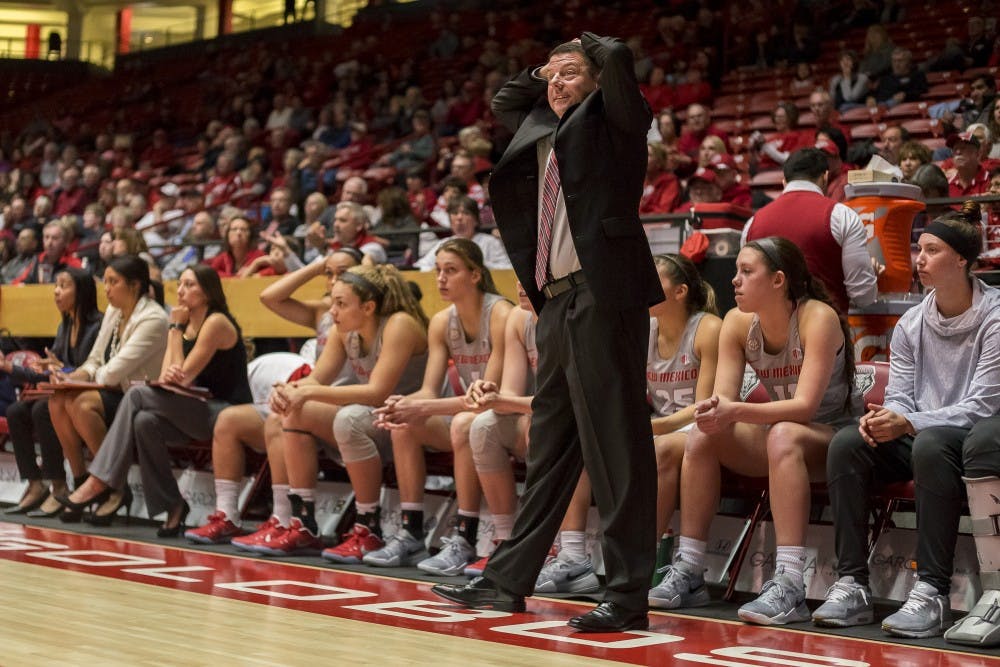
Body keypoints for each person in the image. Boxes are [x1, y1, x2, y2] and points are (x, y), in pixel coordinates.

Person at [432, 33, 664, 634]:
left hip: (603, 293)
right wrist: (555, 67)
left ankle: (627, 594)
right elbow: (507, 99)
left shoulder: (616, 119)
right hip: (557, 302)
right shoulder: (540, 125)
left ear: (596, 79)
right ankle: (508, 579)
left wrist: (591, 51)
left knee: (617, 448)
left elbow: (617, 65)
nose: (555, 83)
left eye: (569, 74)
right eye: (551, 75)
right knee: (551, 450)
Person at [649, 237, 856, 626]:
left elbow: (804, 408)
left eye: (747, 272)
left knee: (783, 432)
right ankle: (690, 572)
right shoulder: (737, 323)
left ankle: (791, 583)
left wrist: (733, 410)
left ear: (778, 280)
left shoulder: (817, 317)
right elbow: (722, 401)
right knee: (702, 433)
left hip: (834, 439)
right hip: (780, 437)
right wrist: (714, 412)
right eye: (735, 272)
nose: (735, 281)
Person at [816, 202, 1000, 639]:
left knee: (930, 443)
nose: (919, 259)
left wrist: (908, 422)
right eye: (918, 248)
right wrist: (885, 419)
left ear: (961, 259)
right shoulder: (912, 322)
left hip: (976, 439)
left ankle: (932, 592)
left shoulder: (994, 316)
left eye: (932, 250)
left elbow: (984, 405)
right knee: (847, 443)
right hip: (922, 433)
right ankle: (852, 584)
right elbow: (899, 396)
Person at [182, 250, 361, 547]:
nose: (334, 279)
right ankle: (229, 516)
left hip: (341, 406)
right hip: (313, 400)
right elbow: (269, 297)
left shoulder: (365, 317)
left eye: (342, 272)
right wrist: (316, 266)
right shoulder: (323, 313)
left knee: (281, 418)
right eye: (330, 274)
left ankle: (286, 517)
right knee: (230, 420)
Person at [59, 265, 253, 537]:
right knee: (144, 421)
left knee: (137, 394)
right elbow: (166, 378)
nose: (182, 291)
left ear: (208, 292)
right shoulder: (185, 324)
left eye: (190, 285)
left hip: (225, 412)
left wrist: (174, 330)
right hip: (193, 409)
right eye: (181, 284)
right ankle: (173, 505)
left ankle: (100, 479)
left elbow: (183, 377)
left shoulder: (216, 322)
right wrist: (177, 334)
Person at [254, 265, 429, 557]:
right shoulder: (343, 330)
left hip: (413, 422)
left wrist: (307, 392)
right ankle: (303, 524)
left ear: (369, 307)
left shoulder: (399, 324)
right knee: (292, 412)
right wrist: (289, 392)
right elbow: (316, 380)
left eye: (341, 303)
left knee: (349, 419)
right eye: (332, 301)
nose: (332, 311)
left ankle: (368, 527)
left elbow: (377, 393)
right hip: (378, 421)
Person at [371, 238, 512, 574]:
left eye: (451, 270)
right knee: (404, 422)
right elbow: (428, 390)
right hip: (475, 417)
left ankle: (465, 537)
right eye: (437, 271)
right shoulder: (440, 321)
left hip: (512, 413)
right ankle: (411, 532)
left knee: (465, 422)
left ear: (475, 274)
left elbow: (485, 400)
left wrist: (421, 407)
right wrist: (402, 404)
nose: (441, 279)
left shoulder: (501, 313)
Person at [47, 256, 168, 523]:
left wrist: (78, 381)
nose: (107, 289)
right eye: (106, 281)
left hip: (141, 397)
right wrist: (71, 377)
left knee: (81, 403)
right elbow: (95, 359)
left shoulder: (154, 318)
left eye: (114, 282)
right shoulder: (114, 311)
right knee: (57, 400)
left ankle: (113, 485)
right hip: (114, 391)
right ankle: (81, 480)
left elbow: (113, 372)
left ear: (135, 285)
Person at [4, 268, 102, 516]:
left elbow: (87, 370)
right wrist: (11, 367)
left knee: (41, 409)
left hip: (86, 396)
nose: (56, 291)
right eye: (55, 285)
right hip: (62, 392)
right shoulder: (65, 325)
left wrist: (59, 368)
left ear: (81, 292)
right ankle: (36, 484)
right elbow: (51, 371)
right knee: (16, 411)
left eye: (63, 285)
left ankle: (59, 486)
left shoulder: (97, 326)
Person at [743, 148, 878, 314]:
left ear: (784, 181)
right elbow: (863, 296)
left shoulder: (752, 223)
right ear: (825, 177)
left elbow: (746, 293)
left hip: (768, 335)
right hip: (826, 332)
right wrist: (872, 274)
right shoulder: (842, 215)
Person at [414, 196, 511, 271]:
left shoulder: (490, 242)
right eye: (455, 213)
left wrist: (481, 265)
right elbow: (420, 266)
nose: (459, 218)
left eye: (466, 213)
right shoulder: (444, 244)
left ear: (476, 220)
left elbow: (508, 268)